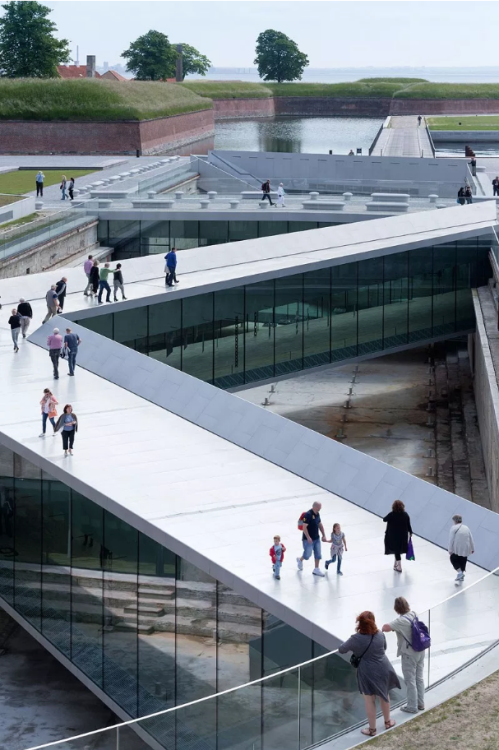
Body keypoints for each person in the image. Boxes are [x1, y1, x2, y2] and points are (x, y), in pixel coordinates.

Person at [338, 611, 400, 737]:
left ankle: (372, 730)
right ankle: (388, 722)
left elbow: (342, 649)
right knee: (384, 694)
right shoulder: (380, 635)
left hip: (367, 671)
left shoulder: (355, 639)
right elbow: (384, 647)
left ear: (359, 624)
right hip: (383, 667)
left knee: (369, 700)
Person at [382, 597, 425, 714]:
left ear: (396, 609)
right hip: (421, 650)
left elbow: (385, 628)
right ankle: (421, 703)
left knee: (410, 680)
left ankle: (412, 706)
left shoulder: (400, 621)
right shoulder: (414, 614)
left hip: (409, 654)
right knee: (419, 678)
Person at [296, 501, 326, 577]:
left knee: (318, 554)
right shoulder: (308, 515)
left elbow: (320, 524)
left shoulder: (317, 514)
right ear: (314, 507)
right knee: (307, 555)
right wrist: (308, 537)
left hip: (316, 538)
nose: (320, 508)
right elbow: (304, 527)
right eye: (319, 507)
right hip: (308, 539)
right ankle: (300, 559)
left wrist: (323, 535)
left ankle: (316, 569)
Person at [383, 500, 412, 573]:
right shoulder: (405, 515)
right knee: (398, 550)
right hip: (403, 536)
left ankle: (399, 566)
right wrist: (411, 532)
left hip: (393, 536)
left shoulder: (392, 514)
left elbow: (384, 519)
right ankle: (395, 564)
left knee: (396, 550)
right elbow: (408, 525)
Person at [448, 514, 474, 583]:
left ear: (455, 521)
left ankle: (460, 573)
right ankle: (461, 574)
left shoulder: (453, 528)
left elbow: (451, 539)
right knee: (463, 559)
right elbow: (471, 538)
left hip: (457, 547)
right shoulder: (466, 527)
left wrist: (450, 549)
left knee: (453, 558)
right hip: (466, 547)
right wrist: (472, 548)